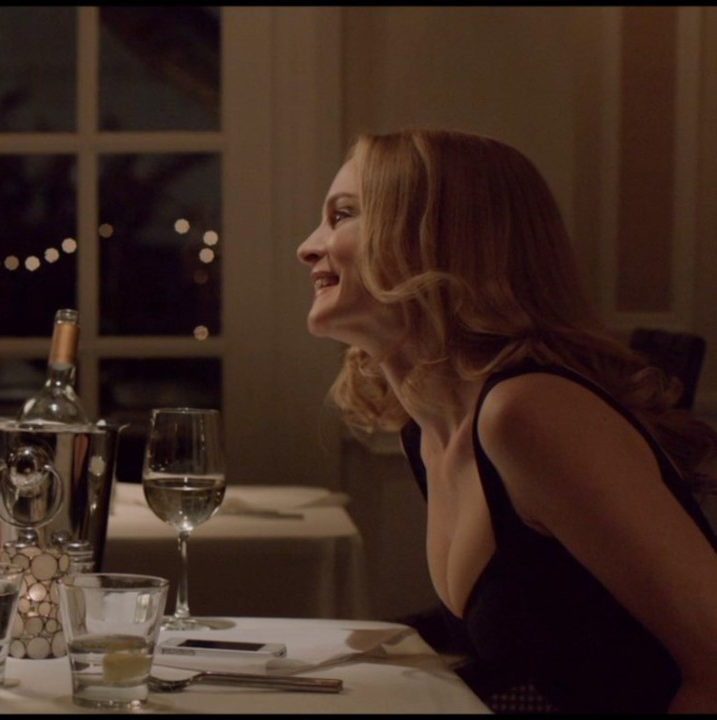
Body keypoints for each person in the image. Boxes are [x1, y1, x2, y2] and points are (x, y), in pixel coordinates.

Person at [296, 128, 717, 713]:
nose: (308, 247)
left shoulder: (529, 412)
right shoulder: (429, 430)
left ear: (436, 238)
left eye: (342, 215)